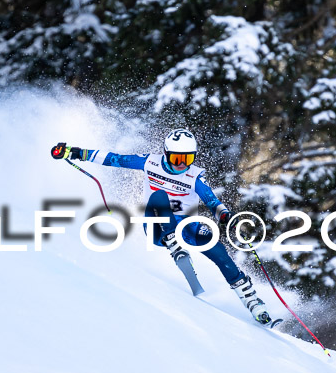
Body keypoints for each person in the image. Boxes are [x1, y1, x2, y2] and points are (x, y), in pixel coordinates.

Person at [51, 128, 271, 325]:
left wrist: (225, 216)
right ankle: (174, 245)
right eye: (176, 158)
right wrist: (75, 152)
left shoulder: (194, 177)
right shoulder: (150, 163)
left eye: (187, 159)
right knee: (159, 196)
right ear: (166, 154)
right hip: (156, 225)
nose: (181, 165)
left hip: (186, 228)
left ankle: (251, 299)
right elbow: (114, 159)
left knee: (213, 244)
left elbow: (213, 202)